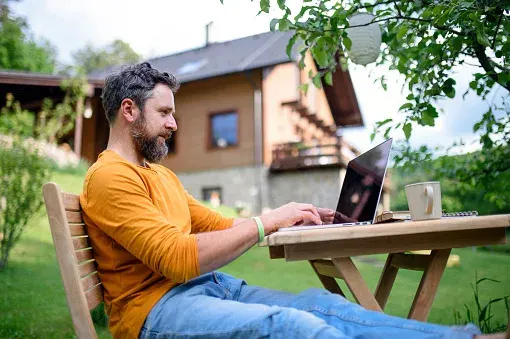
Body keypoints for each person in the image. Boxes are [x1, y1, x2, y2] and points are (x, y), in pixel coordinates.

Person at [80, 62, 505, 339]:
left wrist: (286, 218)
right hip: (155, 312)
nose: (175, 124)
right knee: (293, 327)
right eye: (165, 113)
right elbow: (175, 258)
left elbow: (217, 226)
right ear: (129, 111)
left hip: (210, 289)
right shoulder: (109, 178)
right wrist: (268, 224)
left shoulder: (160, 175)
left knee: (321, 305)